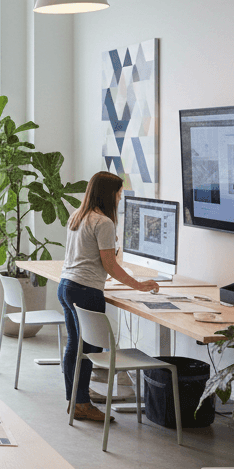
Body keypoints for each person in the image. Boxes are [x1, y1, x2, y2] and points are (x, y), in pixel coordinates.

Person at [59, 171, 160, 423]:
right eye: (119, 193)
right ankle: (81, 402)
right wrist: (138, 285)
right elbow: (109, 264)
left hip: (67, 285)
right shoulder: (103, 222)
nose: (120, 198)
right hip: (85, 290)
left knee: (76, 345)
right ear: (109, 194)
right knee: (89, 349)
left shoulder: (77, 215)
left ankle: (75, 399)